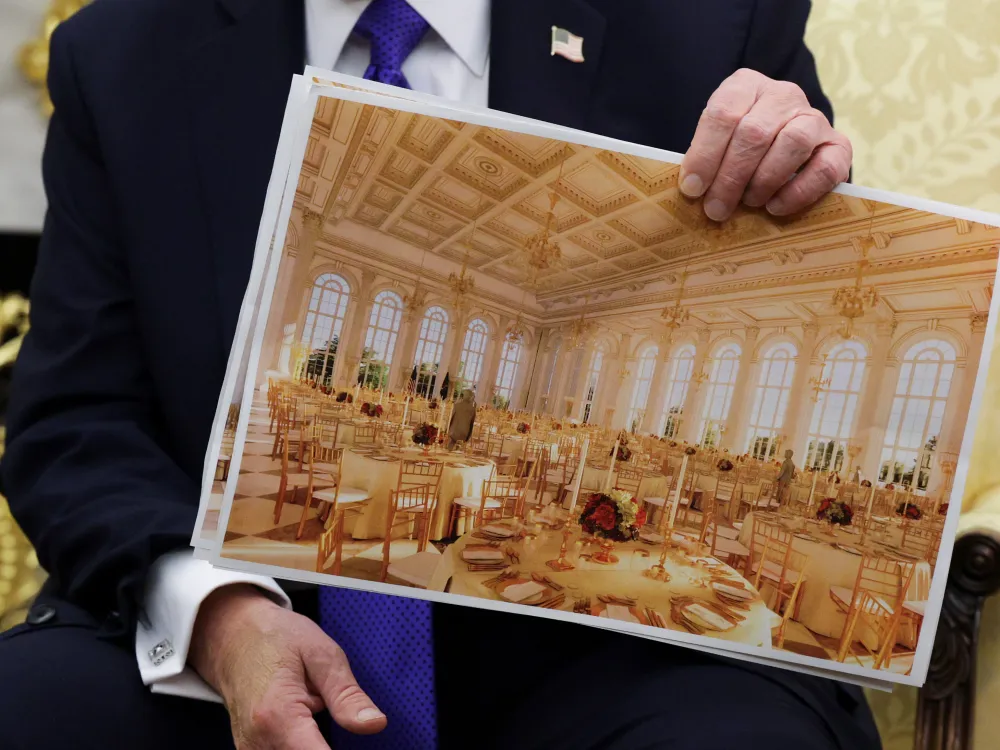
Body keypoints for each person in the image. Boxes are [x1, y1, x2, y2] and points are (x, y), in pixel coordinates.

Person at [0, 1, 874, 749]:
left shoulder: (707, 23)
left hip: (612, 650)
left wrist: (796, 169)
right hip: (233, 631)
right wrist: (222, 617)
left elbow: (819, 310)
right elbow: (77, 422)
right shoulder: (121, 52)